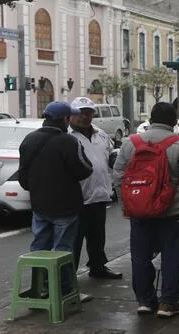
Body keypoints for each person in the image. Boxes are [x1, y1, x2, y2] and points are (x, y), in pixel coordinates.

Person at [113, 102, 179, 318]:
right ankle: (168, 303)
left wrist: (128, 205)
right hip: (172, 213)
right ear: (173, 121)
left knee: (140, 256)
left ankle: (144, 301)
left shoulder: (130, 143)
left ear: (151, 119)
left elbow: (118, 176)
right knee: (172, 257)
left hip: (140, 212)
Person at [18, 101, 93, 299]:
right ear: (66, 119)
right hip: (66, 206)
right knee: (63, 250)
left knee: (39, 248)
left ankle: (40, 287)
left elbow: (23, 176)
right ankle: (64, 290)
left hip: (40, 205)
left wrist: (37, 189)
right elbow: (85, 168)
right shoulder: (68, 141)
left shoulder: (29, 139)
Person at [69, 97, 122, 280]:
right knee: (74, 241)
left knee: (97, 237)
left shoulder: (100, 134)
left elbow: (110, 154)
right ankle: (69, 277)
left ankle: (98, 267)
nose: (84, 117)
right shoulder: (67, 136)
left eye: (89, 113)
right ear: (71, 115)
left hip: (100, 194)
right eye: (80, 113)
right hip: (77, 198)